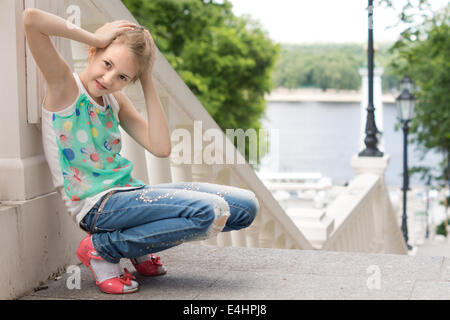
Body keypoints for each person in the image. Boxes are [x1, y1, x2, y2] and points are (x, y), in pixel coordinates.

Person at [23, 8, 259, 294]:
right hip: (97, 206)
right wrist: (95, 36)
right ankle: (103, 248)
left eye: (123, 77)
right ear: (93, 52)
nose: (109, 79)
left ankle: (137, 245)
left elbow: (160, 147)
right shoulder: (65, 87)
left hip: (128, 196)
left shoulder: (114, 101)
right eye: (107, 63)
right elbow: (32, 20)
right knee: (210, 212)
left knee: (245, 207)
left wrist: (147, 78)